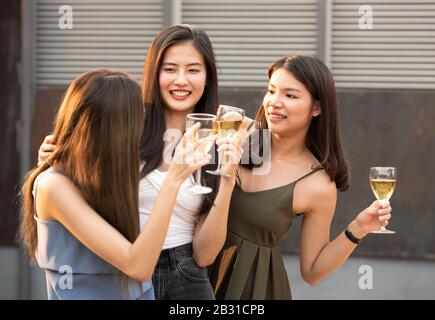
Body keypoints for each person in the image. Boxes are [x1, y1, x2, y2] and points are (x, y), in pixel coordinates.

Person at [37, 25, 242, 300]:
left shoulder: (218, 141)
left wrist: (228, 179)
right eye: (170, 69)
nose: (181, 80)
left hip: (186, 278)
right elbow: (74, 177)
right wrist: (55, 163)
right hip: (120, 271)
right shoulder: (124, 127)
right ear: (153, 74)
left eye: (193, 70)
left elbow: (205, 254)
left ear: (207, 78)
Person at [208, 54, 392, 300]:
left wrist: (358, 228)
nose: (274, 102)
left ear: (316, 107)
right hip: (193, 275)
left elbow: (312, 272)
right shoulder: (235, 131)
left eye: (290, 95)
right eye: (271, 91)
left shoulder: (317, 183)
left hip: (256, 290)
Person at [21, 68, 215, 299]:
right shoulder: (53, 186)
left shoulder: (103, 172)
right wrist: (173, 180)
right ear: (111, 129)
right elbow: (140, 267)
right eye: (136, 120)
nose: (141, 130)